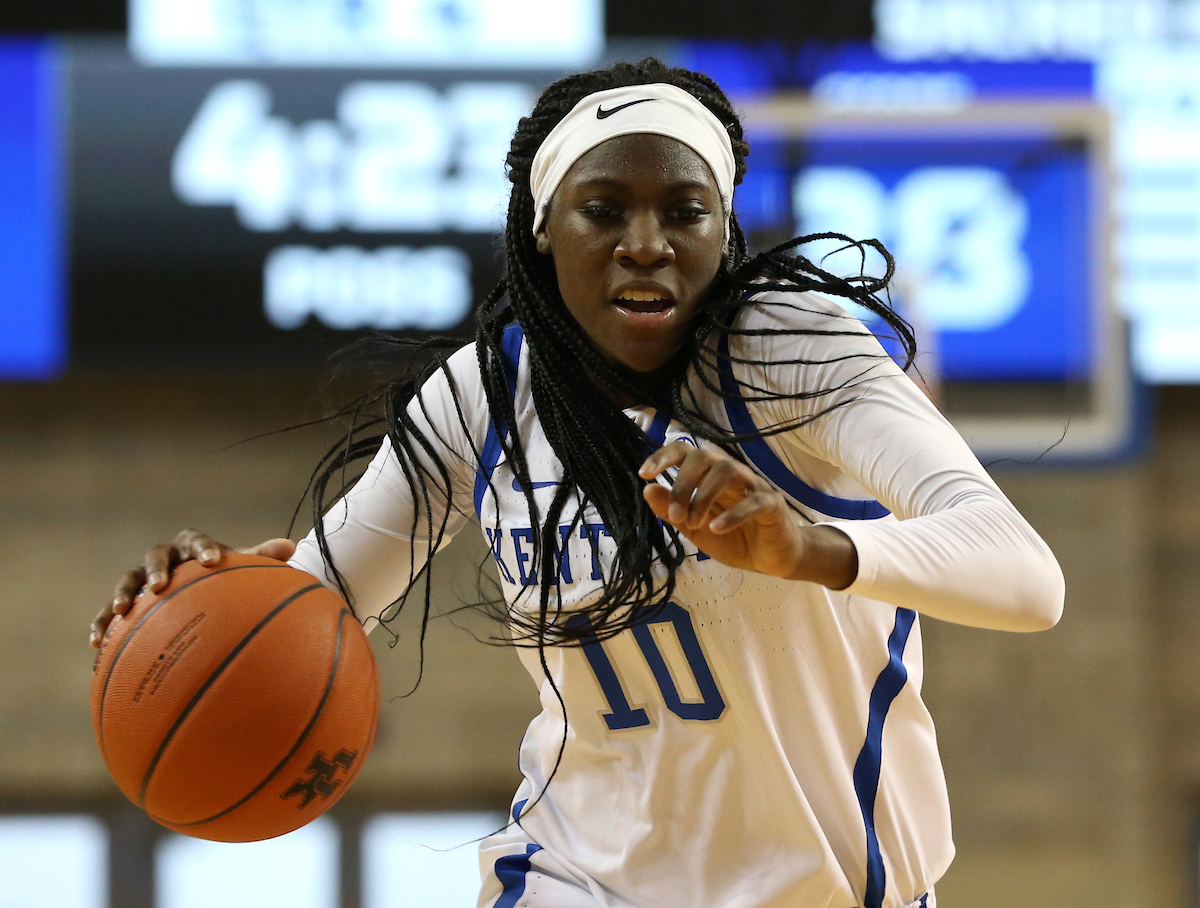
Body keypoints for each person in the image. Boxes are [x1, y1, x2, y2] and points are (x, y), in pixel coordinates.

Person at [90, 58, 1064, 908]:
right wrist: (198, 603)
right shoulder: (485, 391)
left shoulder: (795, 358)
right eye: (605, 209)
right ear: (546, 229)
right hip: (580, 876)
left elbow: (1025, 573)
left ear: (721, 230)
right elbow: (315, 605)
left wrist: (806, 546)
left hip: (832, 884)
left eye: (684, 211)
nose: (647, 241)